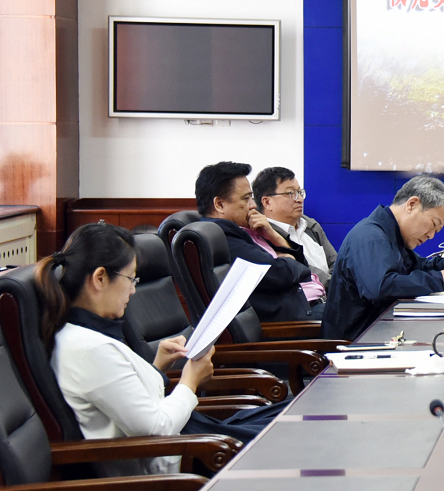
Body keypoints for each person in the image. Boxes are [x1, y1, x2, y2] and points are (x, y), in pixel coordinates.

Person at [38, 223, 284, 475]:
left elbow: (127, 402)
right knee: (286, 439)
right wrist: (190, 381)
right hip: (182, 460)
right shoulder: (90, 349)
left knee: (284, 418)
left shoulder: (80, 336)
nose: (133, 289)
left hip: (188, 441)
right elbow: (157, 428)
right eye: (131, 278)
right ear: (100, 278)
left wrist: (157, 366)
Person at [321, 176, 444, 340]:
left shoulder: (391, 233)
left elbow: (418, 265)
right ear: (412, 204)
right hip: (356, 341)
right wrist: (440, 280)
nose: (431, 235)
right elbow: (380, 288)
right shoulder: (371, 237)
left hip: (381, 330)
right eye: (433, 224)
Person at [196, 161, 325, 321]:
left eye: (251, 197)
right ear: (220, 204)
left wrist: (274, 236)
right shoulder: (221, 236)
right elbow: (277, 274)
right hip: (293, 320)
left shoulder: (250, 228)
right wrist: (289, 260)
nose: (253, 205)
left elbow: (301, 266)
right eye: (246, 199)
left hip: (309, 305)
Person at [253, 166, 337, 284]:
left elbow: (337, 264)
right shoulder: (264, 236)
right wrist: (334, 286)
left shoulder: (311, 226)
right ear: (267, 202)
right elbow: (300, 271)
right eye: (290, 193)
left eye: (299, 192)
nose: (300, 199)